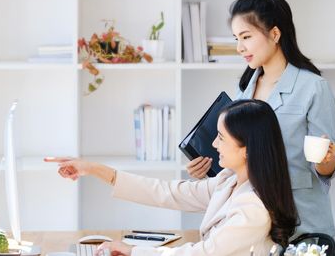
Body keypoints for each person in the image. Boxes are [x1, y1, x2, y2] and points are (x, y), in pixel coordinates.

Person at [46, 99, 298, 256]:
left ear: (247, 148)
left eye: (221, 137)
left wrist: (134, 251)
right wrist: (92, 169)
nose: (213, 143)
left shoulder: (252, 207)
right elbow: (167, 192)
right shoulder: (228, 181)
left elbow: (203, 254)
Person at [187, 0, 335, 237]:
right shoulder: (243, 92)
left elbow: (327, 167)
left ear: (275, 34)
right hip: (250, 222)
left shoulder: (313, 87)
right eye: (237, 38)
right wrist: (209, 169)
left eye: (246, 37)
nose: (240, 48)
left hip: (300, 223)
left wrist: (325, 162)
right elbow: (242, 160)